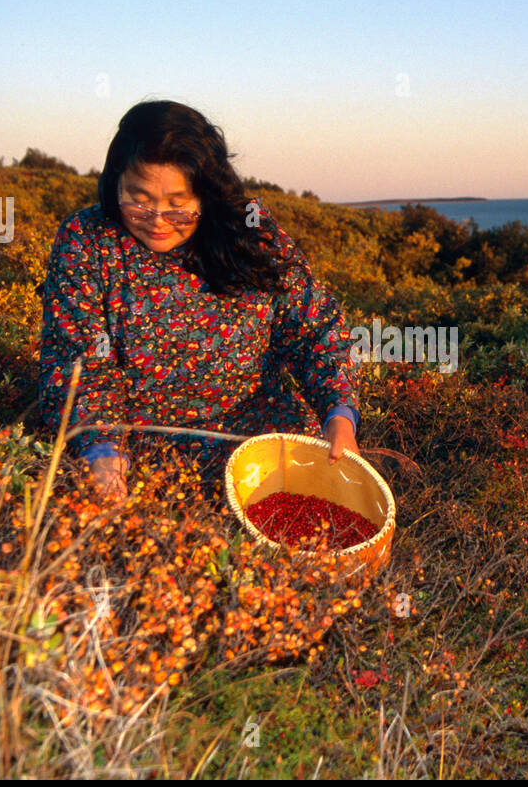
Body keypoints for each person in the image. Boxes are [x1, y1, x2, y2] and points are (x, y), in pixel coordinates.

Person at [36, 100, 361, 501]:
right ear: (114, 181)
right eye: (138, 198)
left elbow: (315, 328)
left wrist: (338, 412)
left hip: (260, 435)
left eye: (178, 206)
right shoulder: (87, 239)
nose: (157, 219)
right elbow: (79, 361)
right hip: (137, 451)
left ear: (207, 193)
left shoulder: (251, 230)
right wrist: (101, 452)